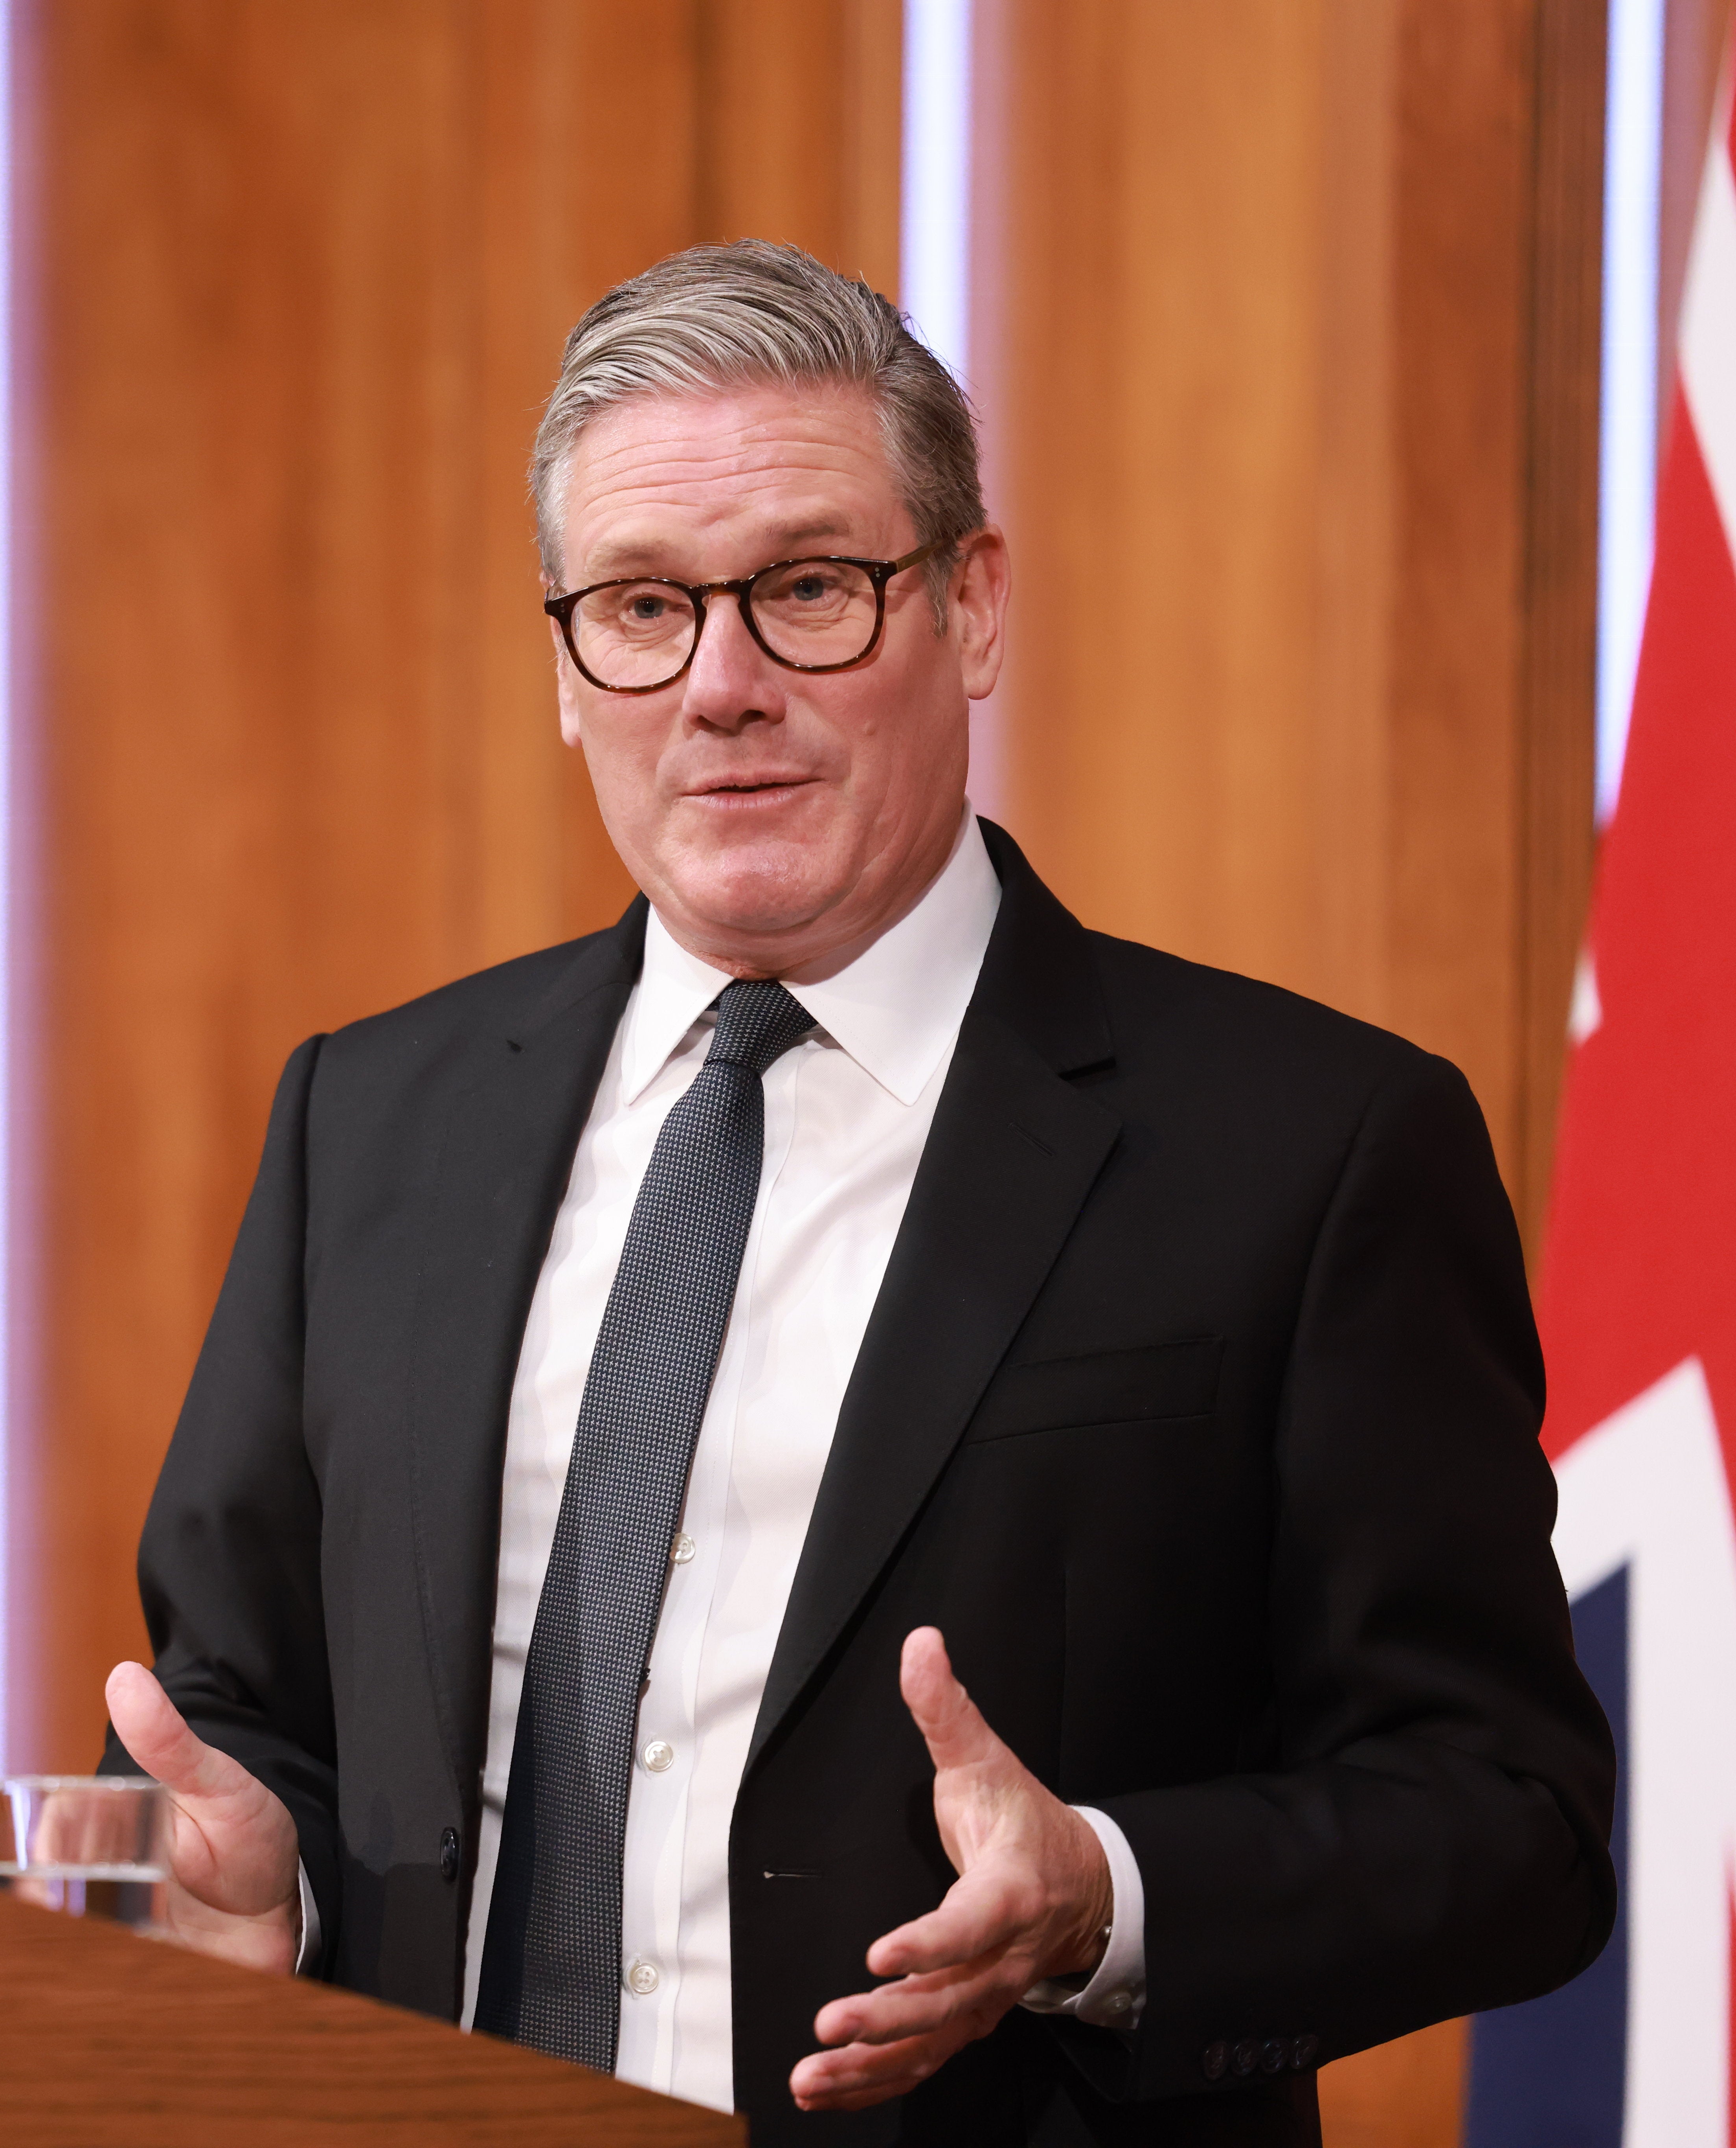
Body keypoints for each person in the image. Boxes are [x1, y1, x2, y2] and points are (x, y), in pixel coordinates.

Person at [99, 240, 1615, 2143]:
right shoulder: (369, 1116)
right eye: (640, 607)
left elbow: (1509, 1822)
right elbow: (242, 1705)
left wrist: (1102, 1902)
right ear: (563, 668)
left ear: (968, 609)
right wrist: (268, 1886)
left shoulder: (1308, 1147)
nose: (718, 685)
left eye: (808, 589)